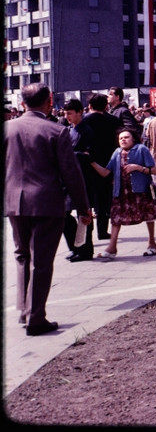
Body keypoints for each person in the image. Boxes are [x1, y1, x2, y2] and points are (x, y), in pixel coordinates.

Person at [5, 84, 93, 335]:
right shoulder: (57, 131)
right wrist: (83, 207)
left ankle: (24, 310)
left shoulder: (7, 129)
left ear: (23, 103)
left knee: (22, 256)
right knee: (41, 260)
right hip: (46, 201)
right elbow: (71, 174)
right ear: (49, 101)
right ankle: (36, 317)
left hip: (14, 202)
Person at [89, 128, 156, 259]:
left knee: (148, 216)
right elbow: (106, 172)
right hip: (121, 192)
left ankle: (152, 243)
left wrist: (137, 168)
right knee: (116, 219)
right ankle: (112, 248)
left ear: (133, 138)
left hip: (140, 190)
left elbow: (154, 170)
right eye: (120, 138)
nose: (123, 139)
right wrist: (91, 162)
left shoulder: (141, 149)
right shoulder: (117, 152)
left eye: (126, 137)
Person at [77, 92, 122, 240]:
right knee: (104, 199)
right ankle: (102, 231)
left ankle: (85, 236)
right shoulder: (114, 121)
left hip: (86, 163)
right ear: (106, 106)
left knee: (86, 200)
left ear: (89, 106)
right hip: (107, 164)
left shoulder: (83, 121)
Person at [61, 99, 95, 262]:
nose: (67, 116)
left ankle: (85, 250)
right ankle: (75, 247)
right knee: (64, 214)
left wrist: (72, 155)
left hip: (84, 178)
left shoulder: (87, 131)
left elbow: (89, 155)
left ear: (80, 112)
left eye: (70, 113)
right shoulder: (67, 130)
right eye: (65, 113)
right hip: (67, 178)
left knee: (84, 214)